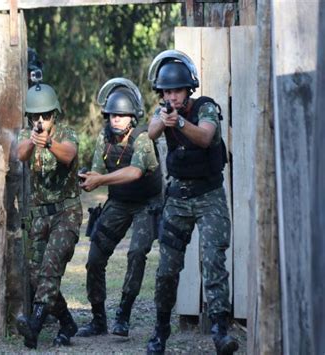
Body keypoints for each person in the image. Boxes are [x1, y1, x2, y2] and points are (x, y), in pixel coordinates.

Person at [145, 50, 238, 355]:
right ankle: (159, 332)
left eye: (176, 90)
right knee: (167, 270)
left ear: (189, 90)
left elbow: (207, 137)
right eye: (167, 91)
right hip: (178, 199)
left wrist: (181, 123)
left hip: (209, 197)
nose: (171, 96)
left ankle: (220, 332)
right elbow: (151, 132)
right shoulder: (165, 110)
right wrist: (166, 119)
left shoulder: (206, 107)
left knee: (213, 263)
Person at [76, 78, 163, 338]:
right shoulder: (105, 138)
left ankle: (123, 316)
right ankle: (98, 319)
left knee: (136, 253)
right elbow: (97, 171)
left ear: (132, 118)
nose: (116, 120)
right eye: (113, 115)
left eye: (122, 115)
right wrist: (86, 179)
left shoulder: (144, 138)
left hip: (146, 204)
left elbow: (135, 172)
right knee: (94, 258)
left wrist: (99, 180)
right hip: (118, 201)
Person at [16, 83, 82, 349]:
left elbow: (69, 155)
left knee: (50, 269)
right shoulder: (28, 134)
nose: (40, 120)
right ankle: (67, 322)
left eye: (45, 115)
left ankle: (35, 325)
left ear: (55, 114)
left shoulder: (67, 133)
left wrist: (50, 142)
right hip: (40, 215)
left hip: (66, 212)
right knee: (36, 275)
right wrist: (33, 141)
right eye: (35, 116)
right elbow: (20, 155)